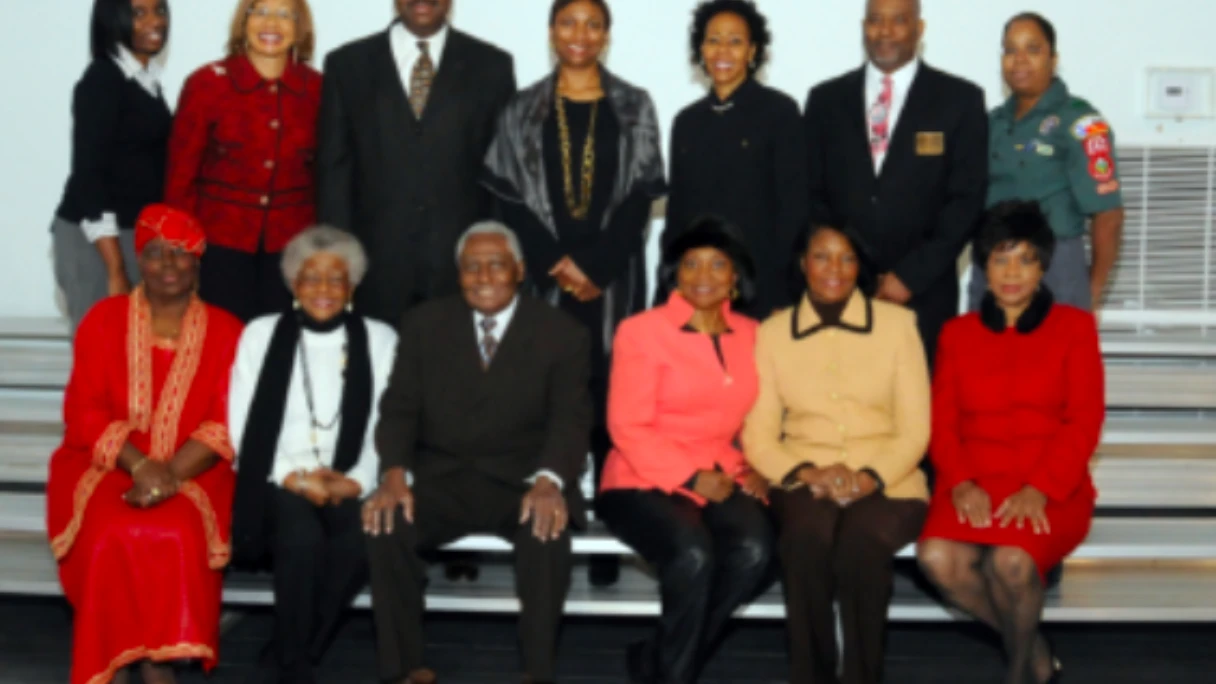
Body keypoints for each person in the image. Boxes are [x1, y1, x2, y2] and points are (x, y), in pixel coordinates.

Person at [483, 0, 666, 586]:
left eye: (592, 24)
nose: (579, 34)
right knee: (549, 391)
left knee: (611, 394)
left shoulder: (634, 104)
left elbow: (643, 193)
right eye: (568, 22)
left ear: (607, 35)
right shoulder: (521, 107)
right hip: (544, 274)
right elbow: (506, 195)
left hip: (614, 275)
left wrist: (598, 266)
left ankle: (609, 529)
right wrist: (554, 262)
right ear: (551, 31)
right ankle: (552, 521)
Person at [363, 222, 591, 684]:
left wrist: (548, 482)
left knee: (547, 530)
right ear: (458, 273)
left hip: (522, 482)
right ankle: (403, 668)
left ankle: (537, 672)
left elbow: (570, 420)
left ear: (520, 270)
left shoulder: (562, 332)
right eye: (471, 267)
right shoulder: (424, 323)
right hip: (441, 479)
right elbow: (400, 409)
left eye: (496, 265)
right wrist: (393, 475)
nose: (484, 276)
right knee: (386, 525)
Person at [46, 204, 243, 684]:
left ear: (197, 261)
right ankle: (113, 657)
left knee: (175, 532)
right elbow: (85, 411)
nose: (168, 264)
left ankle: (157, 661)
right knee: (109, 532)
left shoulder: (227, 330)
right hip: (105, 465)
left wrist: (167, 475)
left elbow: (226, 421)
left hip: (194, 471)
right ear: (139, 261)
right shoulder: (103, 319)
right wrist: (139, 466)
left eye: (180, 253)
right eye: (155, 253)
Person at [918, 201, 1104, 684]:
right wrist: (961, 481)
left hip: (1052, 485)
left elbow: (1084, 420)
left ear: (1043, 267)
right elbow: (942, 420)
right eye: (1001, 259)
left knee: (1012, 562)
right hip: (974, 480)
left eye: (1025, 259)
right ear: (984, 266)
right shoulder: (957, 334)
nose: (1013, 272)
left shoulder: (1074, 328)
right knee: (936, 558)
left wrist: (1040, 487)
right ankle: (1034, 647)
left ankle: (1019, 674)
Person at [742, 224, 931, 684]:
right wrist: (808, 472)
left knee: (861, 544)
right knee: (805, 539)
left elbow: (915, 429)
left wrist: (868, 477)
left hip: (891, 478)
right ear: (803, 263)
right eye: (822, 256)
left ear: (860, 266)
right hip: (805, 476)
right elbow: (759, 436)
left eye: (847, 258)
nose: (835, 269)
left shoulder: (898, 325)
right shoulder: (773, 333)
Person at [598, 217, 774, 684]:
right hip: (640, 477)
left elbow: (763, 416)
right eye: (691, 264)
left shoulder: (754, 333)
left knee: (754, 551)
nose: (703, 275)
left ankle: (658, 658)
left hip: (725, 473)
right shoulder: (641, 330)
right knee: (693, 554)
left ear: (736, 276)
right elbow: (626, 426)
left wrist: (759, 467)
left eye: (718, 264)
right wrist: (690, 477)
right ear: (674, 273)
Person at [228, 227, 397, 683]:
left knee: (362, 537)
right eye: (311, 277)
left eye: (335, 278)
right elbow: (243, 424)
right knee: (300, 539)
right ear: (293, 284)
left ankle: (296, 645)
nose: (324, 288)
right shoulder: (260, 334)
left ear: (352, 285)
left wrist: (357, 480)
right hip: (276, 475)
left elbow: (387, 423)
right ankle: (296, 665)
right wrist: (296, 478)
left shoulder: (380, 339)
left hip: (349, 474)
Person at [802, 0, 987, 363]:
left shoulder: (960, 100)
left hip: (924, 294)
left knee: (917, 395)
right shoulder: (825, 100)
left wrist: (910, 276)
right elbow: (811, 193)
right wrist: (846, 269)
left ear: (919, 28)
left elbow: (966, 200)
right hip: (841, 289)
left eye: (898, 20)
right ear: (863, 27)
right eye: (875, 20)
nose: (885, 31)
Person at [316, 0, 516, 324]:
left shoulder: (492, 66)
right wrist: (338, 260)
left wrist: (494, 260)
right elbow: (334, 171)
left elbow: (501, 173)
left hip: (461, 268)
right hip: (374, 267)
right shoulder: (347, 64)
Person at [165, 0, 322, 322]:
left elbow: (326, 174)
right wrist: (182, 250)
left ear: (300, 28)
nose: (271, 24)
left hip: (292, 249)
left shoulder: (318, 89)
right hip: (218, 246)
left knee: (278, 342)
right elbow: (180, 177)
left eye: (284, 15)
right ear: (244, 21)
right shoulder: (207, 84)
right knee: (223, 340)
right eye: (260, 12)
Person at [965, 12, 1125, 313]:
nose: (1019, 60)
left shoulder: (1080, 122)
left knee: (1056, 346)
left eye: (1032, 49)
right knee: (982, 345)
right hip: (991, 266)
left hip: (1055, 267)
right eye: (1010, 50)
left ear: (1053, 59)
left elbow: (1109, 215)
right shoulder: (991, 122)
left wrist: (1092, 290)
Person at [659, 0, 808, 317]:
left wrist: (783, 294)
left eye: (735, 41)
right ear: (701, 49)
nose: (722, 51)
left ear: (753, 51)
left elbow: (793, 212)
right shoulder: (686, 122)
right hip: (696, 289)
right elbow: (676, 216)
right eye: (713, 40)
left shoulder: (780, 113)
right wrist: (667, 289)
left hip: (760, 289)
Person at [53, 0, 171, 334]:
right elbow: (89, 176)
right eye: (138, 13)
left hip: (130, 235)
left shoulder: (145, 79)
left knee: (132, 351)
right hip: (96, 241)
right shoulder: (103, 80)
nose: (155, 21)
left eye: (160, 10)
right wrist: (115, 268)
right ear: (112, 19)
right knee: (99, 346)